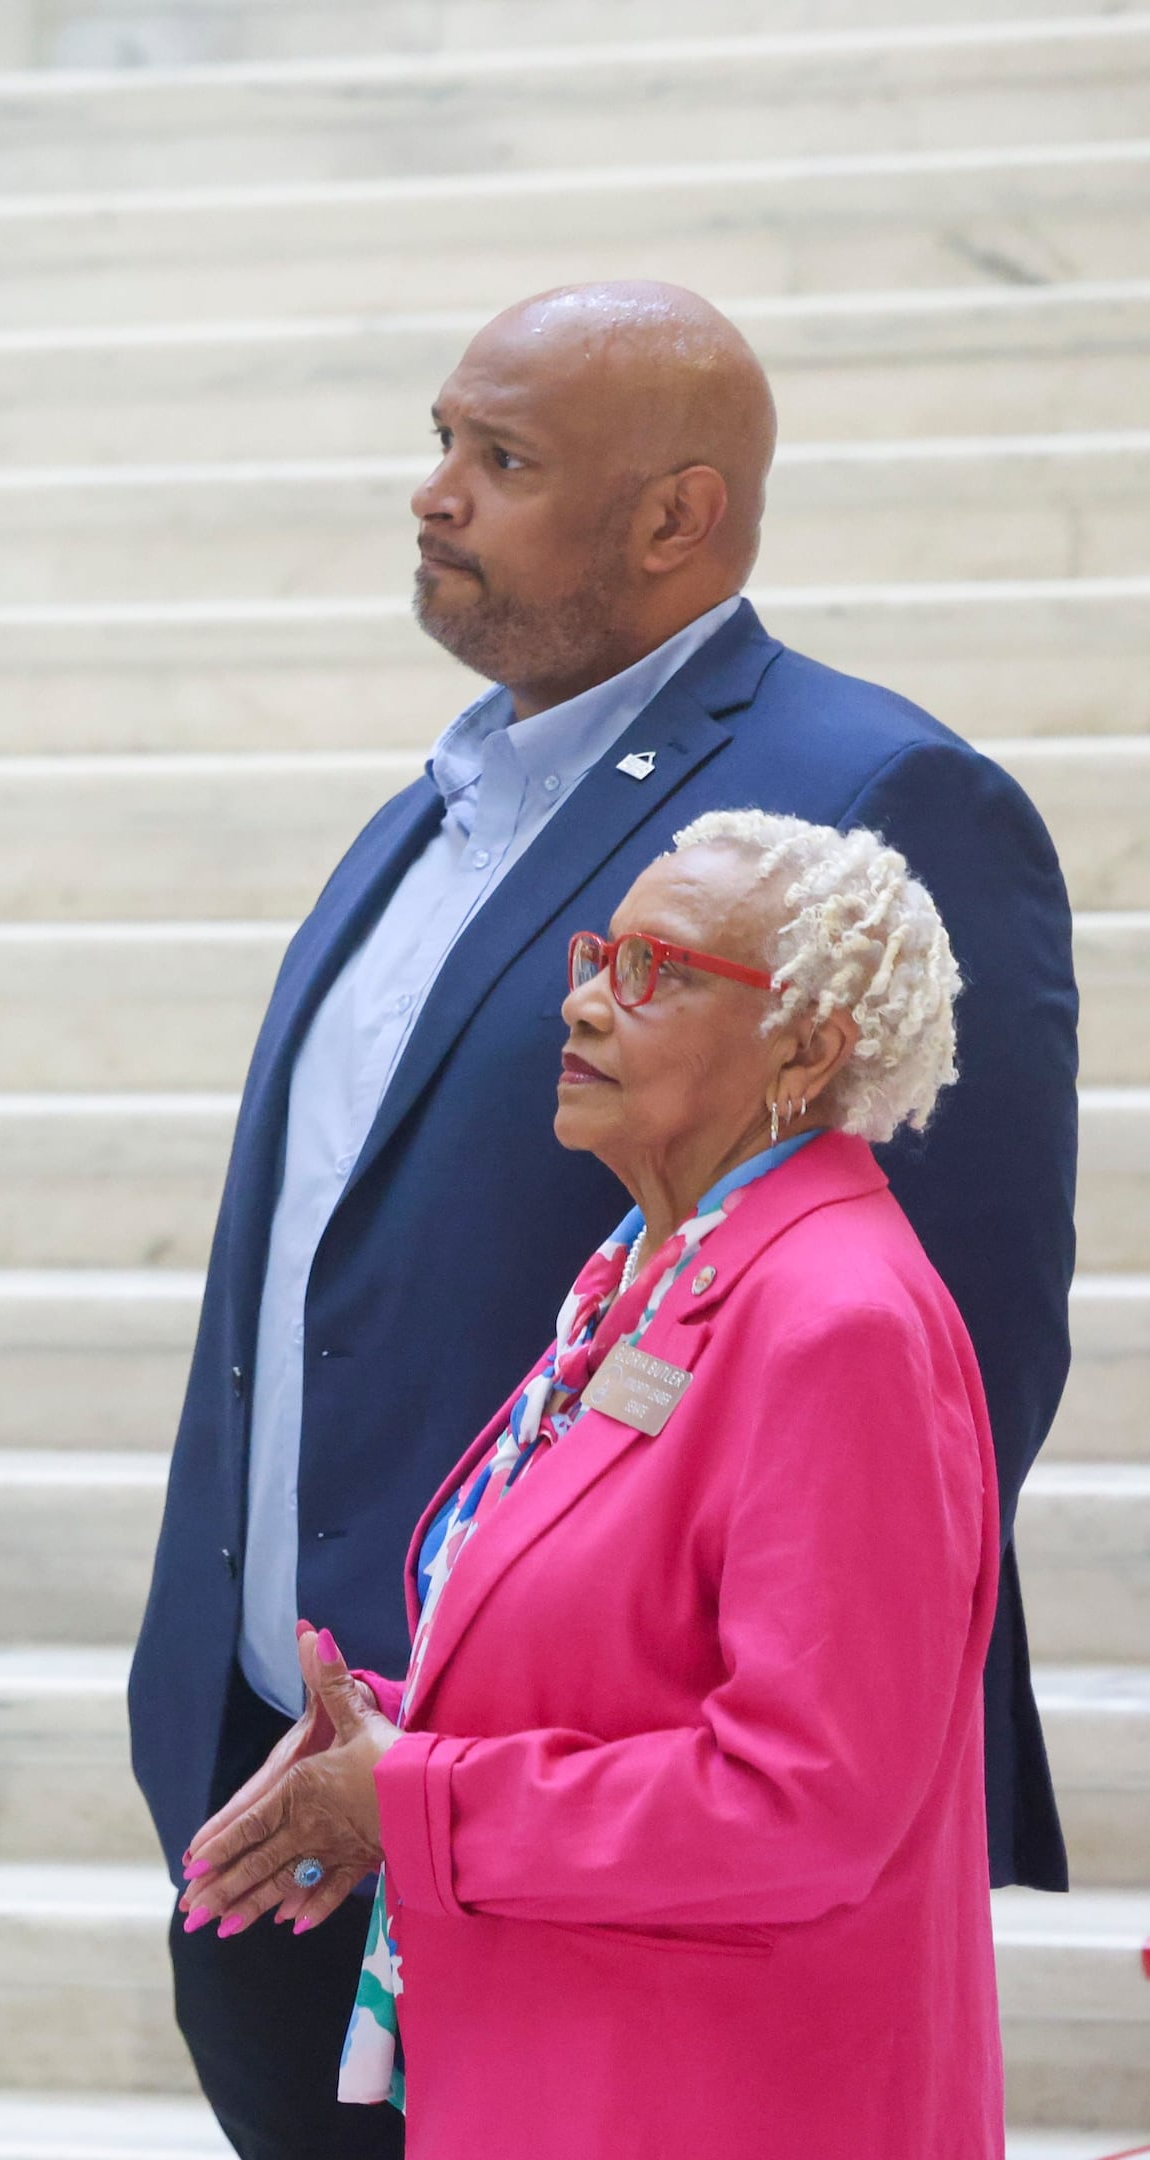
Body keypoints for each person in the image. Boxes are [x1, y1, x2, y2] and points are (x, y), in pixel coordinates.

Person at [126, 282, 1074, 2159]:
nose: (435, 496)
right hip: (305, 1786)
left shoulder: (868, 799)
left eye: (503, 461)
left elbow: (941, 1366)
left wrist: (533, 1760)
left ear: (676, 517)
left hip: (608, 1875)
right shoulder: (444, 802)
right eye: (442, 444)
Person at [177, 813, 1002, 2156]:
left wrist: (419, 1798)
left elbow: (806, 1803)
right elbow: (631, 1660)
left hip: (725, 2095)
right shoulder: (648, 1271)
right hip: (570, 2065)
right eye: (597, 955)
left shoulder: (836, 1318)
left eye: (659, 972)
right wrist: (385, 1735)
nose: (582, 1002)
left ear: (807, 1044)